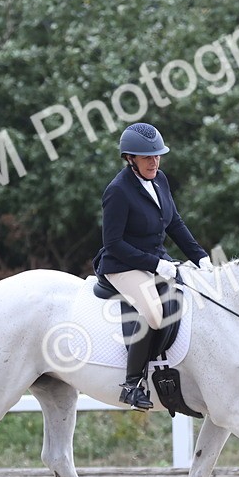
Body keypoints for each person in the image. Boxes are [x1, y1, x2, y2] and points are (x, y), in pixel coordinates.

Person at [93, 122, 212, 410]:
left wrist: (200, 256)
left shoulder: (161, 180)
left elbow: (174, 223)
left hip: (156, 260)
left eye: (157, 156)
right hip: (122, 265)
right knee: (154, 314)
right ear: (129, 158)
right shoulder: (118, 191)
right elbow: (114, 244)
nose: (154, 162)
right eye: (147, 157)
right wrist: (157, 264)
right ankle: (132, 385)